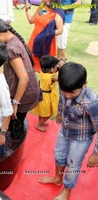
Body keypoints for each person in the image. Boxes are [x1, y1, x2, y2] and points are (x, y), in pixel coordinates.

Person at [38, 63, 98, 200]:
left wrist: (96, 153)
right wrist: (59, 113)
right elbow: (62, 100)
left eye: (72, 93)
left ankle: (67, 189)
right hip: (65, 130)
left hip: (81, 138)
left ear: (84, 84)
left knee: (73, 163)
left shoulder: (92, 102)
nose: (68, 95)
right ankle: (57, 178)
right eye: (64, 91)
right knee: (59, 155)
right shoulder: (65, 86)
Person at [0, 18, 39, 137]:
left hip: (24, 93)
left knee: (15, 123)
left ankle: (16, 141)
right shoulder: (14, 40)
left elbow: (23, 78)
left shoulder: (11, 49)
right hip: (27, 89)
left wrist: (15, 103)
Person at [25, 0, 64, 72]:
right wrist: (27, 11)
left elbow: (60, 30)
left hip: (46, 43)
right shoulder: (42, 5)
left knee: (45, 70)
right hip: (34, 41)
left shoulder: (57, 12)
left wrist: (46, 34)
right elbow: (31, 21)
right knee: (30, 66)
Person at [32, 55, 60, 132]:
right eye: (55, 67)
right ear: (51, 68)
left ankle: (41, 121)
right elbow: (59, 77)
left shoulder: (42, 73)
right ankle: (39, 124)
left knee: (42, 111)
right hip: (47, 97)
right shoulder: (51, 77)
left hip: (42, 95)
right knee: (48, 113)